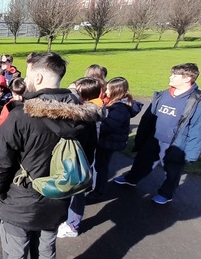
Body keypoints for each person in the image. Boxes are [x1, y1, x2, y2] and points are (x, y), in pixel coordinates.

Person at [0, 52, 98, 259]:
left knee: (15, 255)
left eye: (28, 75)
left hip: (19, 200)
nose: (25, 79)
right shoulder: (82, 117)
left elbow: (0, 160)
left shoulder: (21, 115)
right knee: (46, 251)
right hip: (56, 198)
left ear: (37, 76)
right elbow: (88, 156)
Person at [113, 63, 201, 205]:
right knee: (142, 161)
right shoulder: (164, 94)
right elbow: (149, 117)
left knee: (172, 171)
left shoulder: (198, 100)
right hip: (154, 139)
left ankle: (166, 194)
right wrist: (141, 136)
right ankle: (131, 179)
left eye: (175, 75)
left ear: (188, 78)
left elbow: (199, 128)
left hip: (176, 144)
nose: (171, 77)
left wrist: (190, 154)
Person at [59, 77, 142, 238]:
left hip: (98, 149)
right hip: (91, 150)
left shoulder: (109, 110)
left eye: (109, 89)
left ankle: (73, 225)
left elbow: (102, 129)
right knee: (89, 176)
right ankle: (74, 216)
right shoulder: (102, 107)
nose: (106, 92)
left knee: (84, 184)